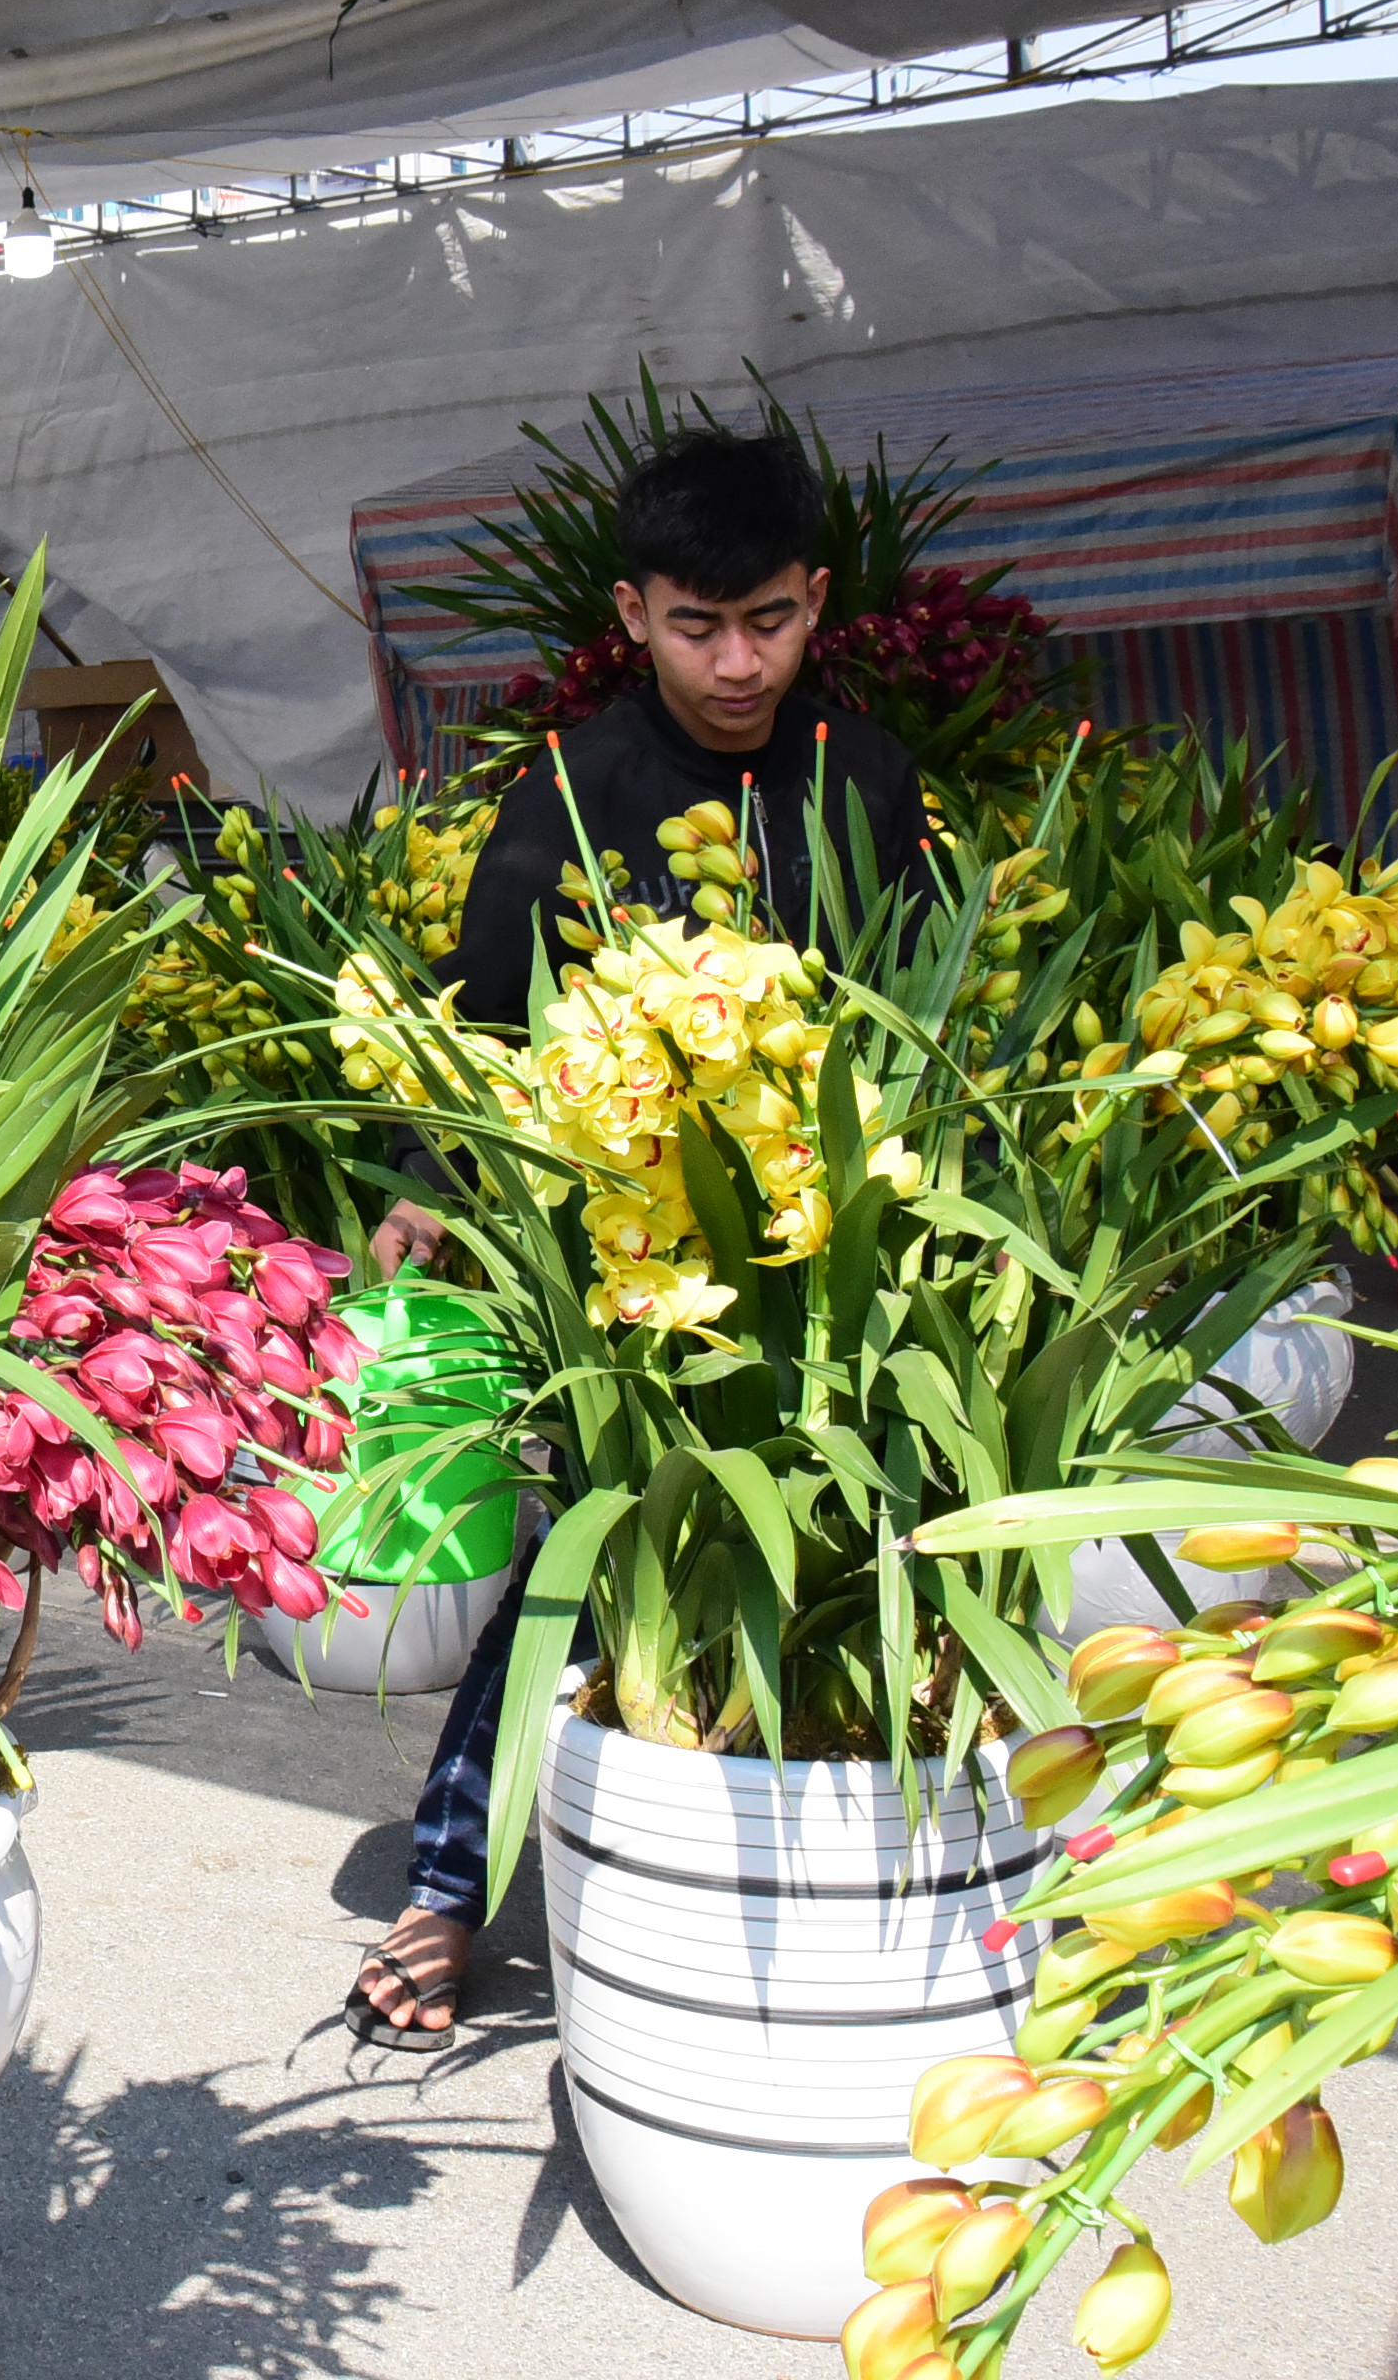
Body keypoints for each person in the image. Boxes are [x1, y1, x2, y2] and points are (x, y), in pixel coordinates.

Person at [343, 425, 931, 2044]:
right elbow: (482, 1023)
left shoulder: (868, 780)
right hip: (626, 1271)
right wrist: (429, 1189)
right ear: (631, 613)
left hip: (832, 1265)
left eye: (770, 622)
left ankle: (844, 1891)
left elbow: (923, 1017)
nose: (737, 664)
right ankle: (447, 1892)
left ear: (820, 600)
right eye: (695, 626)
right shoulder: (573, 796)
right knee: (582, 1556)